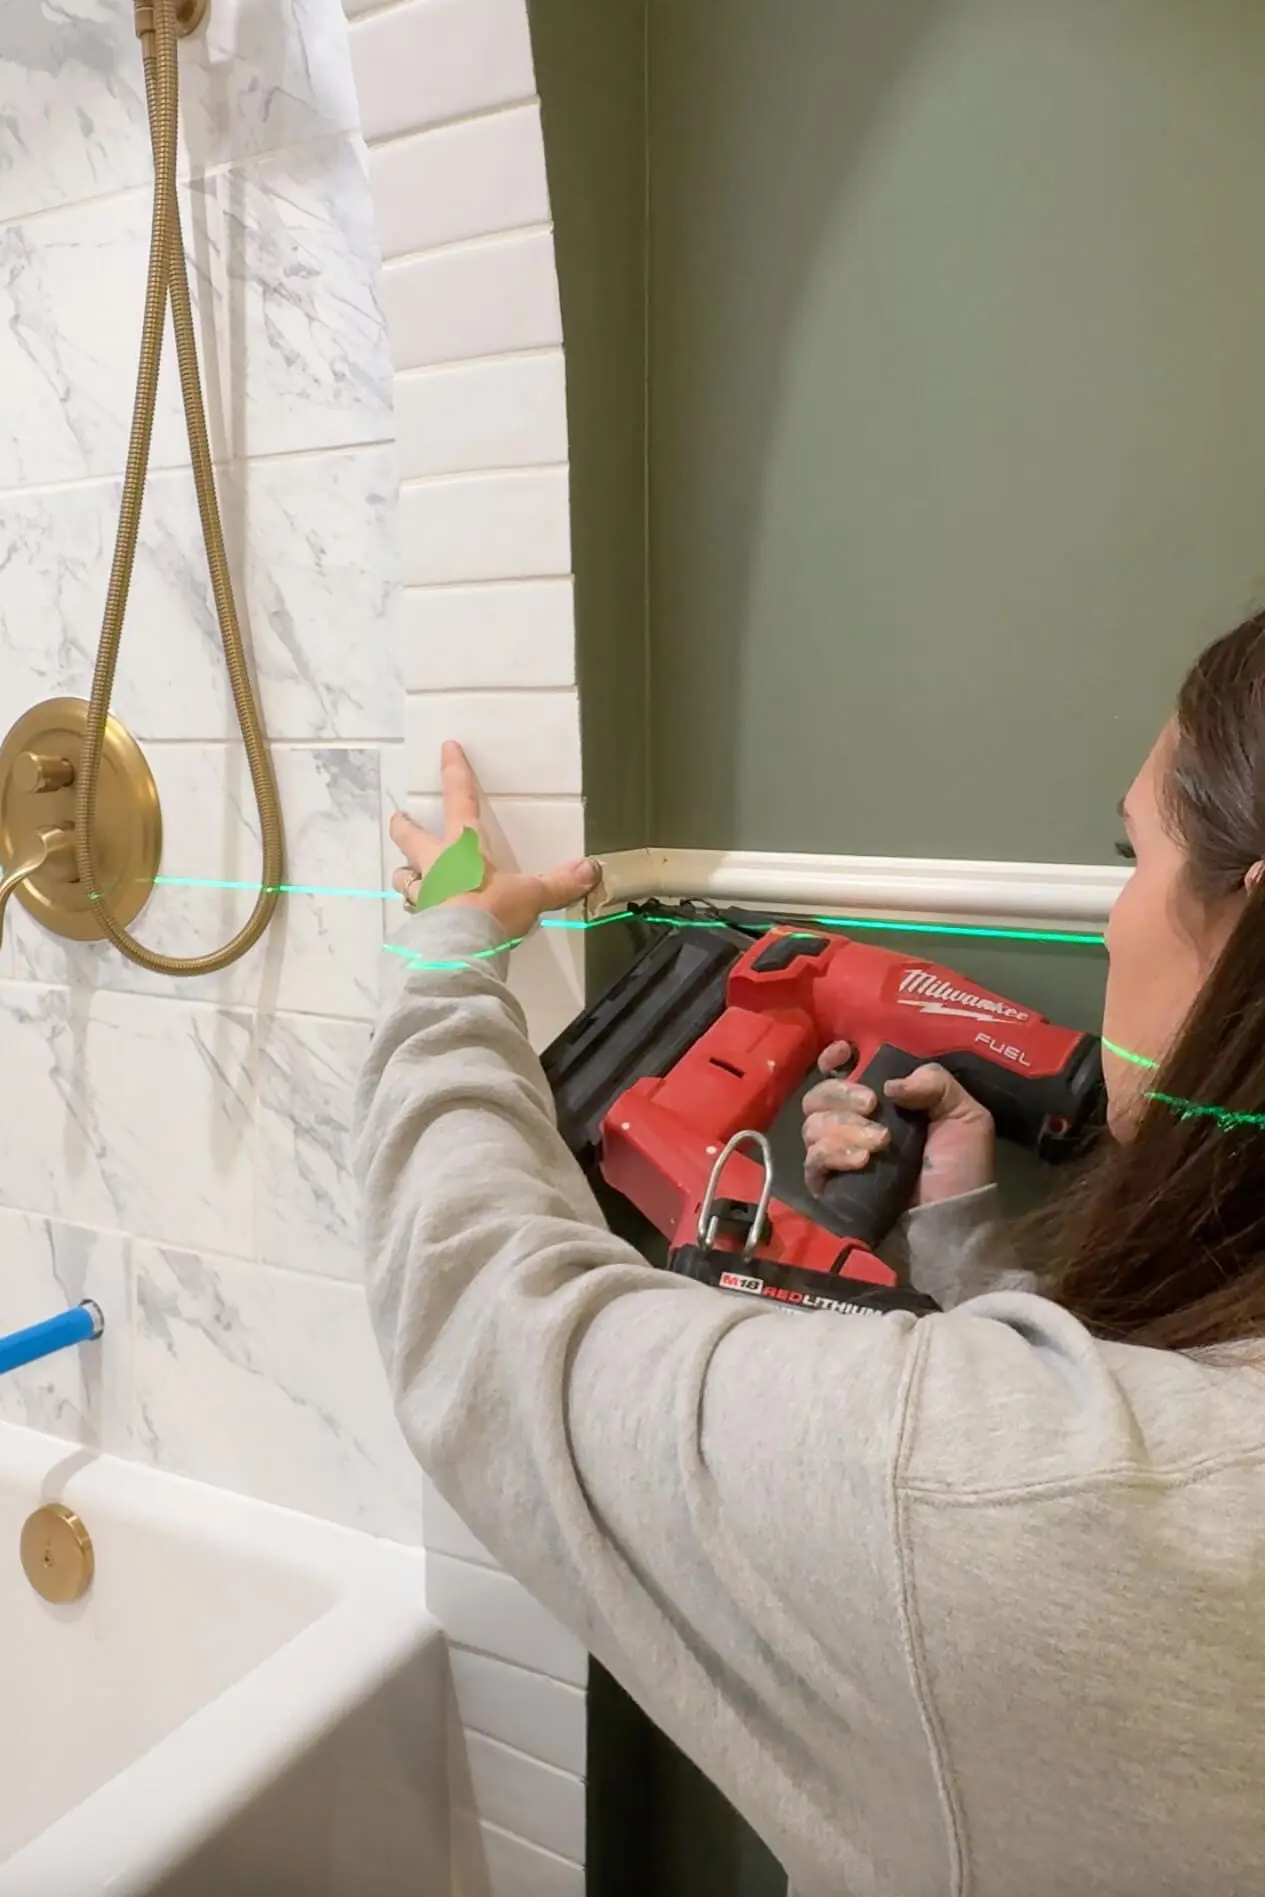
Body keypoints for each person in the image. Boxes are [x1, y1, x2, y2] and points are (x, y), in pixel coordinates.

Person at [355, 616, 1265, 1897]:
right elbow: (1113, 1432)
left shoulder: (987, 1491)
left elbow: (481, 1332)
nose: (1113, 919)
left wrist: (449, 955)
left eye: (1132, 853)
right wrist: (956, 1232)